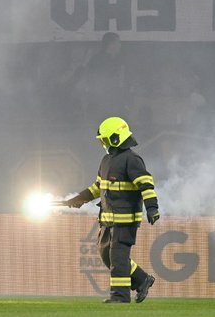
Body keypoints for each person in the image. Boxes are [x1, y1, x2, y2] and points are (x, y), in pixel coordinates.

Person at [65, 117, 160, 303]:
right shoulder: (106, 160)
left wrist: (152, 208)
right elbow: (97, 187)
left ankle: (120, 296)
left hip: (125, 222)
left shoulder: (132, 159)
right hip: (108, 220)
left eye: (105, 140)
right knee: (106, 255)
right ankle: (142, 280)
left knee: (118, 258)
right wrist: (79, 199)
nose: (103, 144)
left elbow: (146, 185)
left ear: (116, 138)